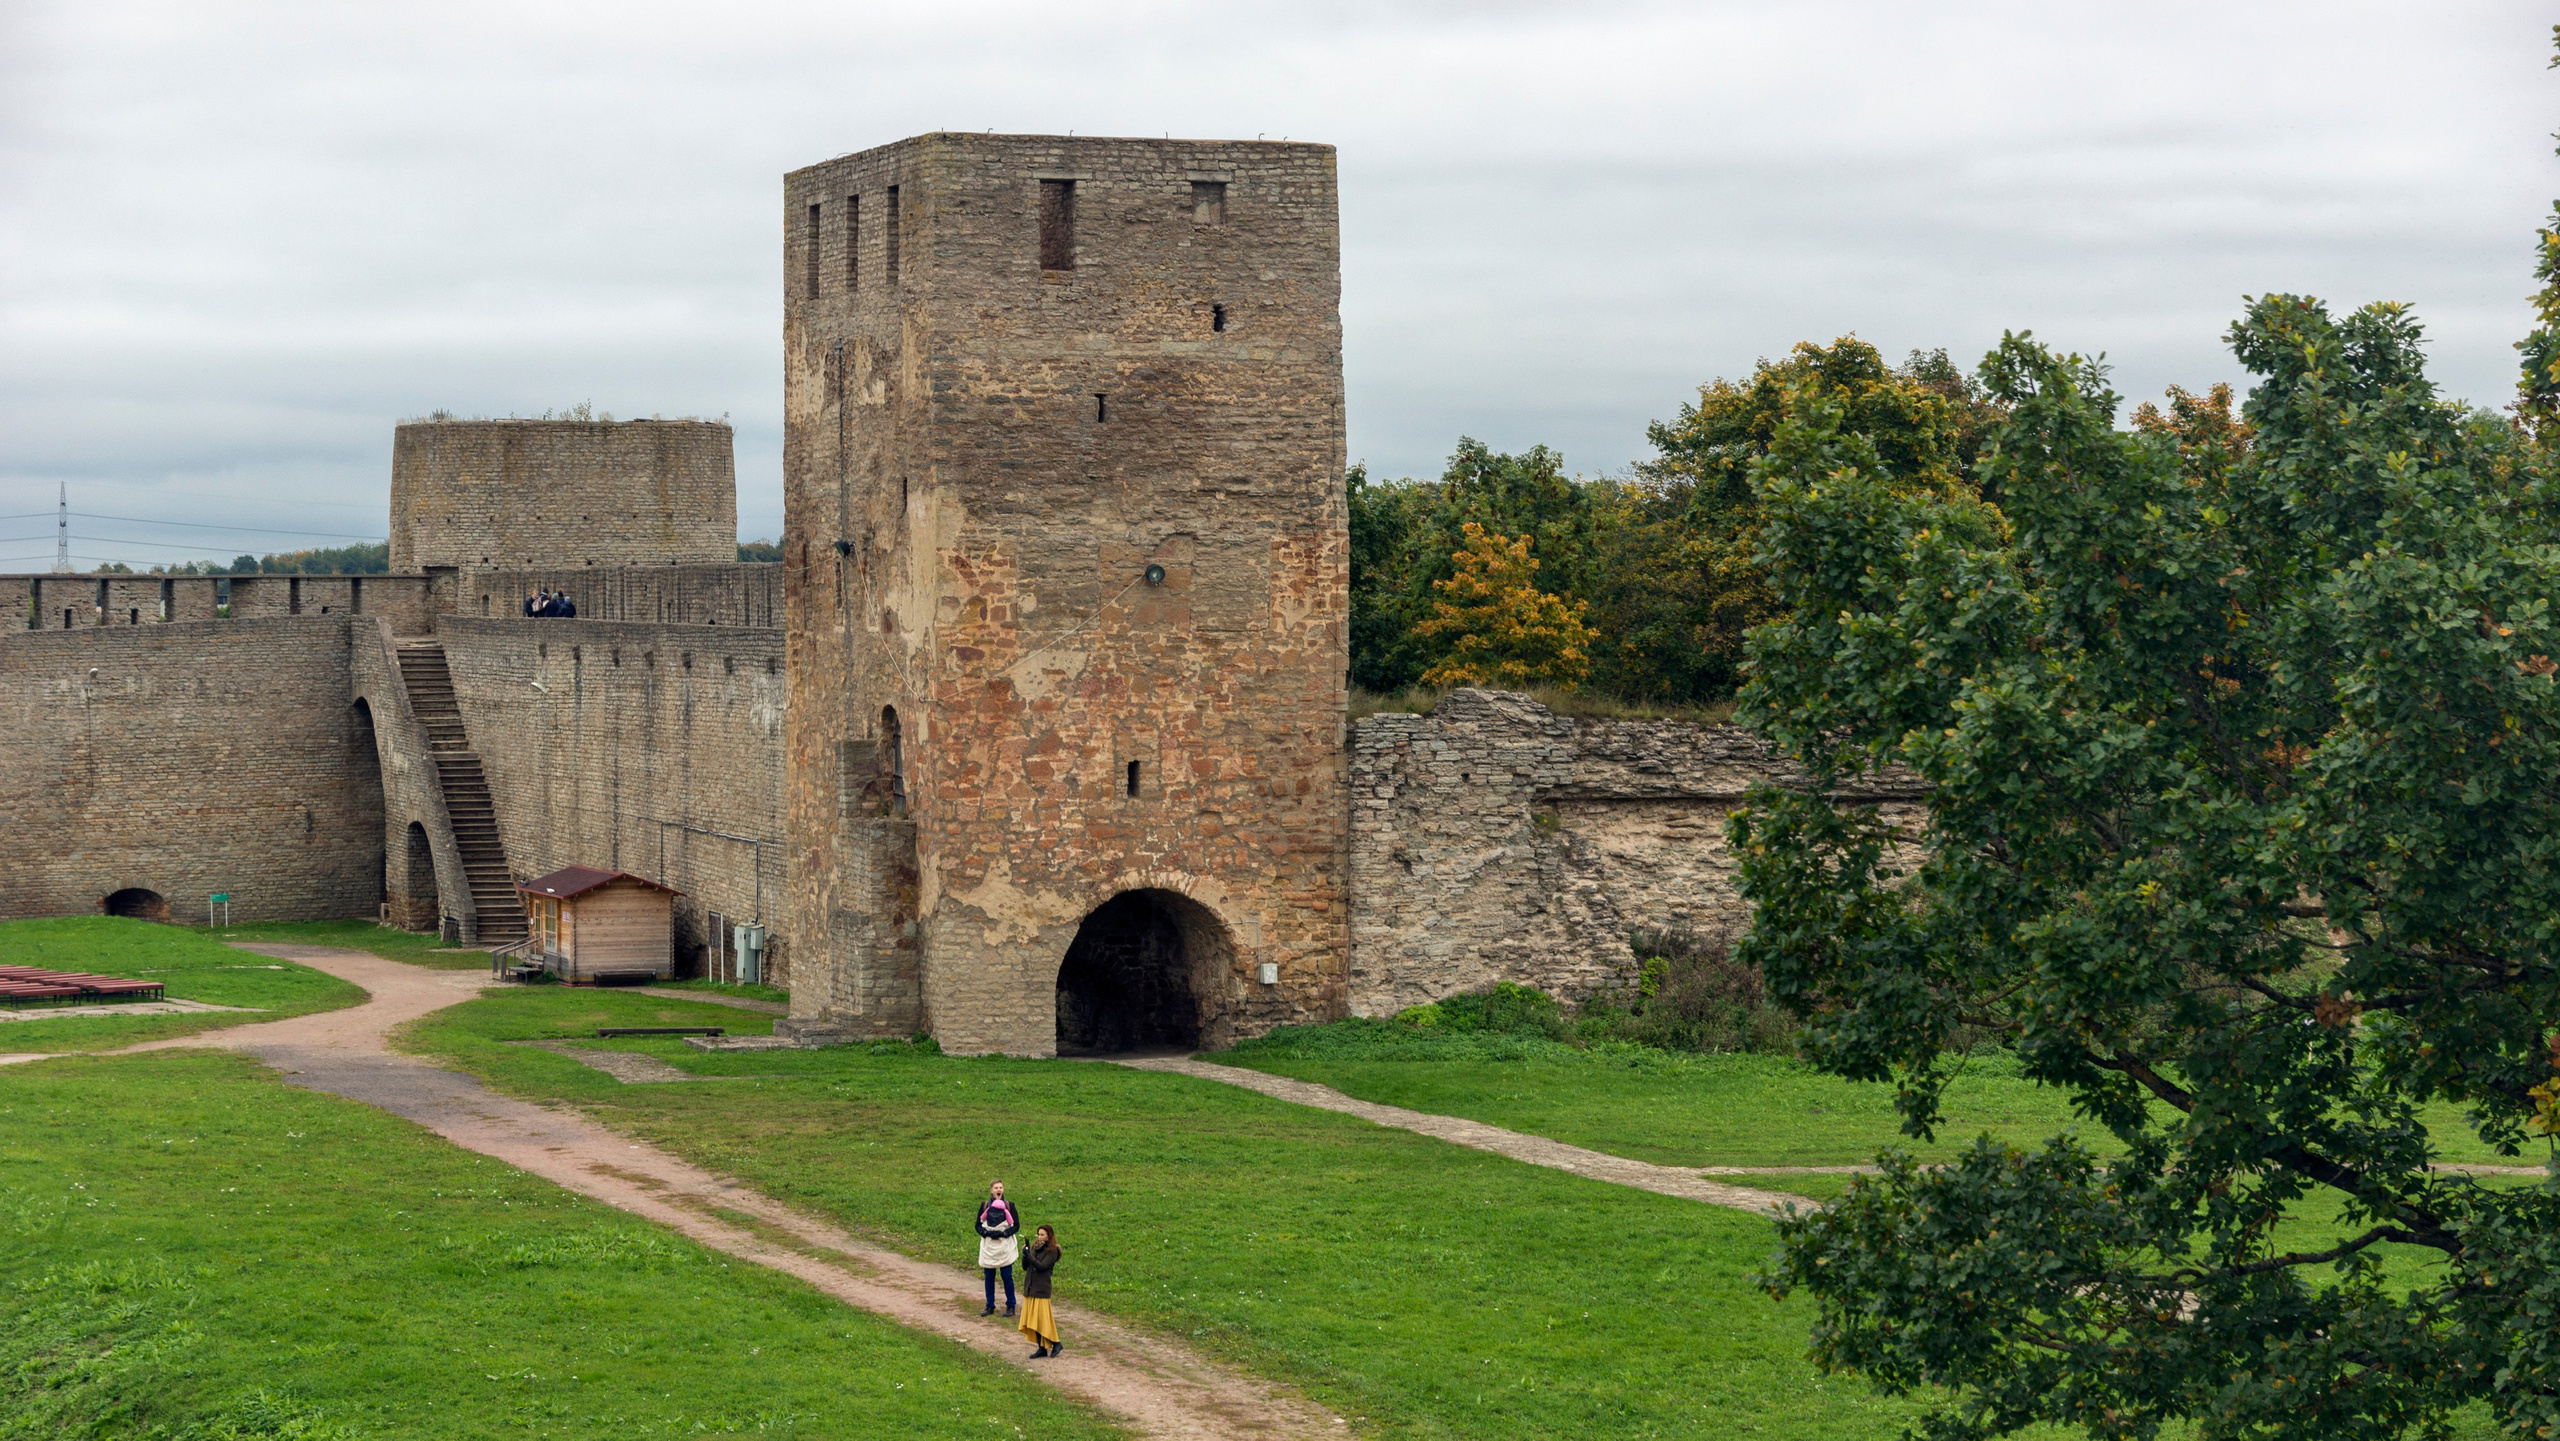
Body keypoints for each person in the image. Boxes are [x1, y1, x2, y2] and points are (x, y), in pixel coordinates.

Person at [975, 1181, 1019, 1316]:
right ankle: (989, 1305)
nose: (998, 1190)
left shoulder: (1009, 1206)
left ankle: (1011, 1305)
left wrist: (1004, 1233)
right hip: (989, 1247)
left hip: (1004, 1247)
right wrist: (986, 1233)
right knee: (989, 1277)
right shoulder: (984, 1206)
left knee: (1007, 1277)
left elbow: (1016, 1225)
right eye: (996, 1188)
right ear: (991, 1191)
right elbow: (978, 1225)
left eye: (1000, 1187)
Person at [1019, 1225, 1062, 1358]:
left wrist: (1029, 1256)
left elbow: (1042, 1267)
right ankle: (1041, 1348)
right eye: (1038, 1234)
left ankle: (1056, 1343)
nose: (1039, 1237)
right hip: (1031, 1287)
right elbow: (1025, 1267)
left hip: (1042, 1289)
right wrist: (1025, 1255)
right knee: (1034, 1320)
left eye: (1042, 1234)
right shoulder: (1035, 1248)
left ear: (1049, 1236)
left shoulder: (1053, 1251)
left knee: (1043, 1319)